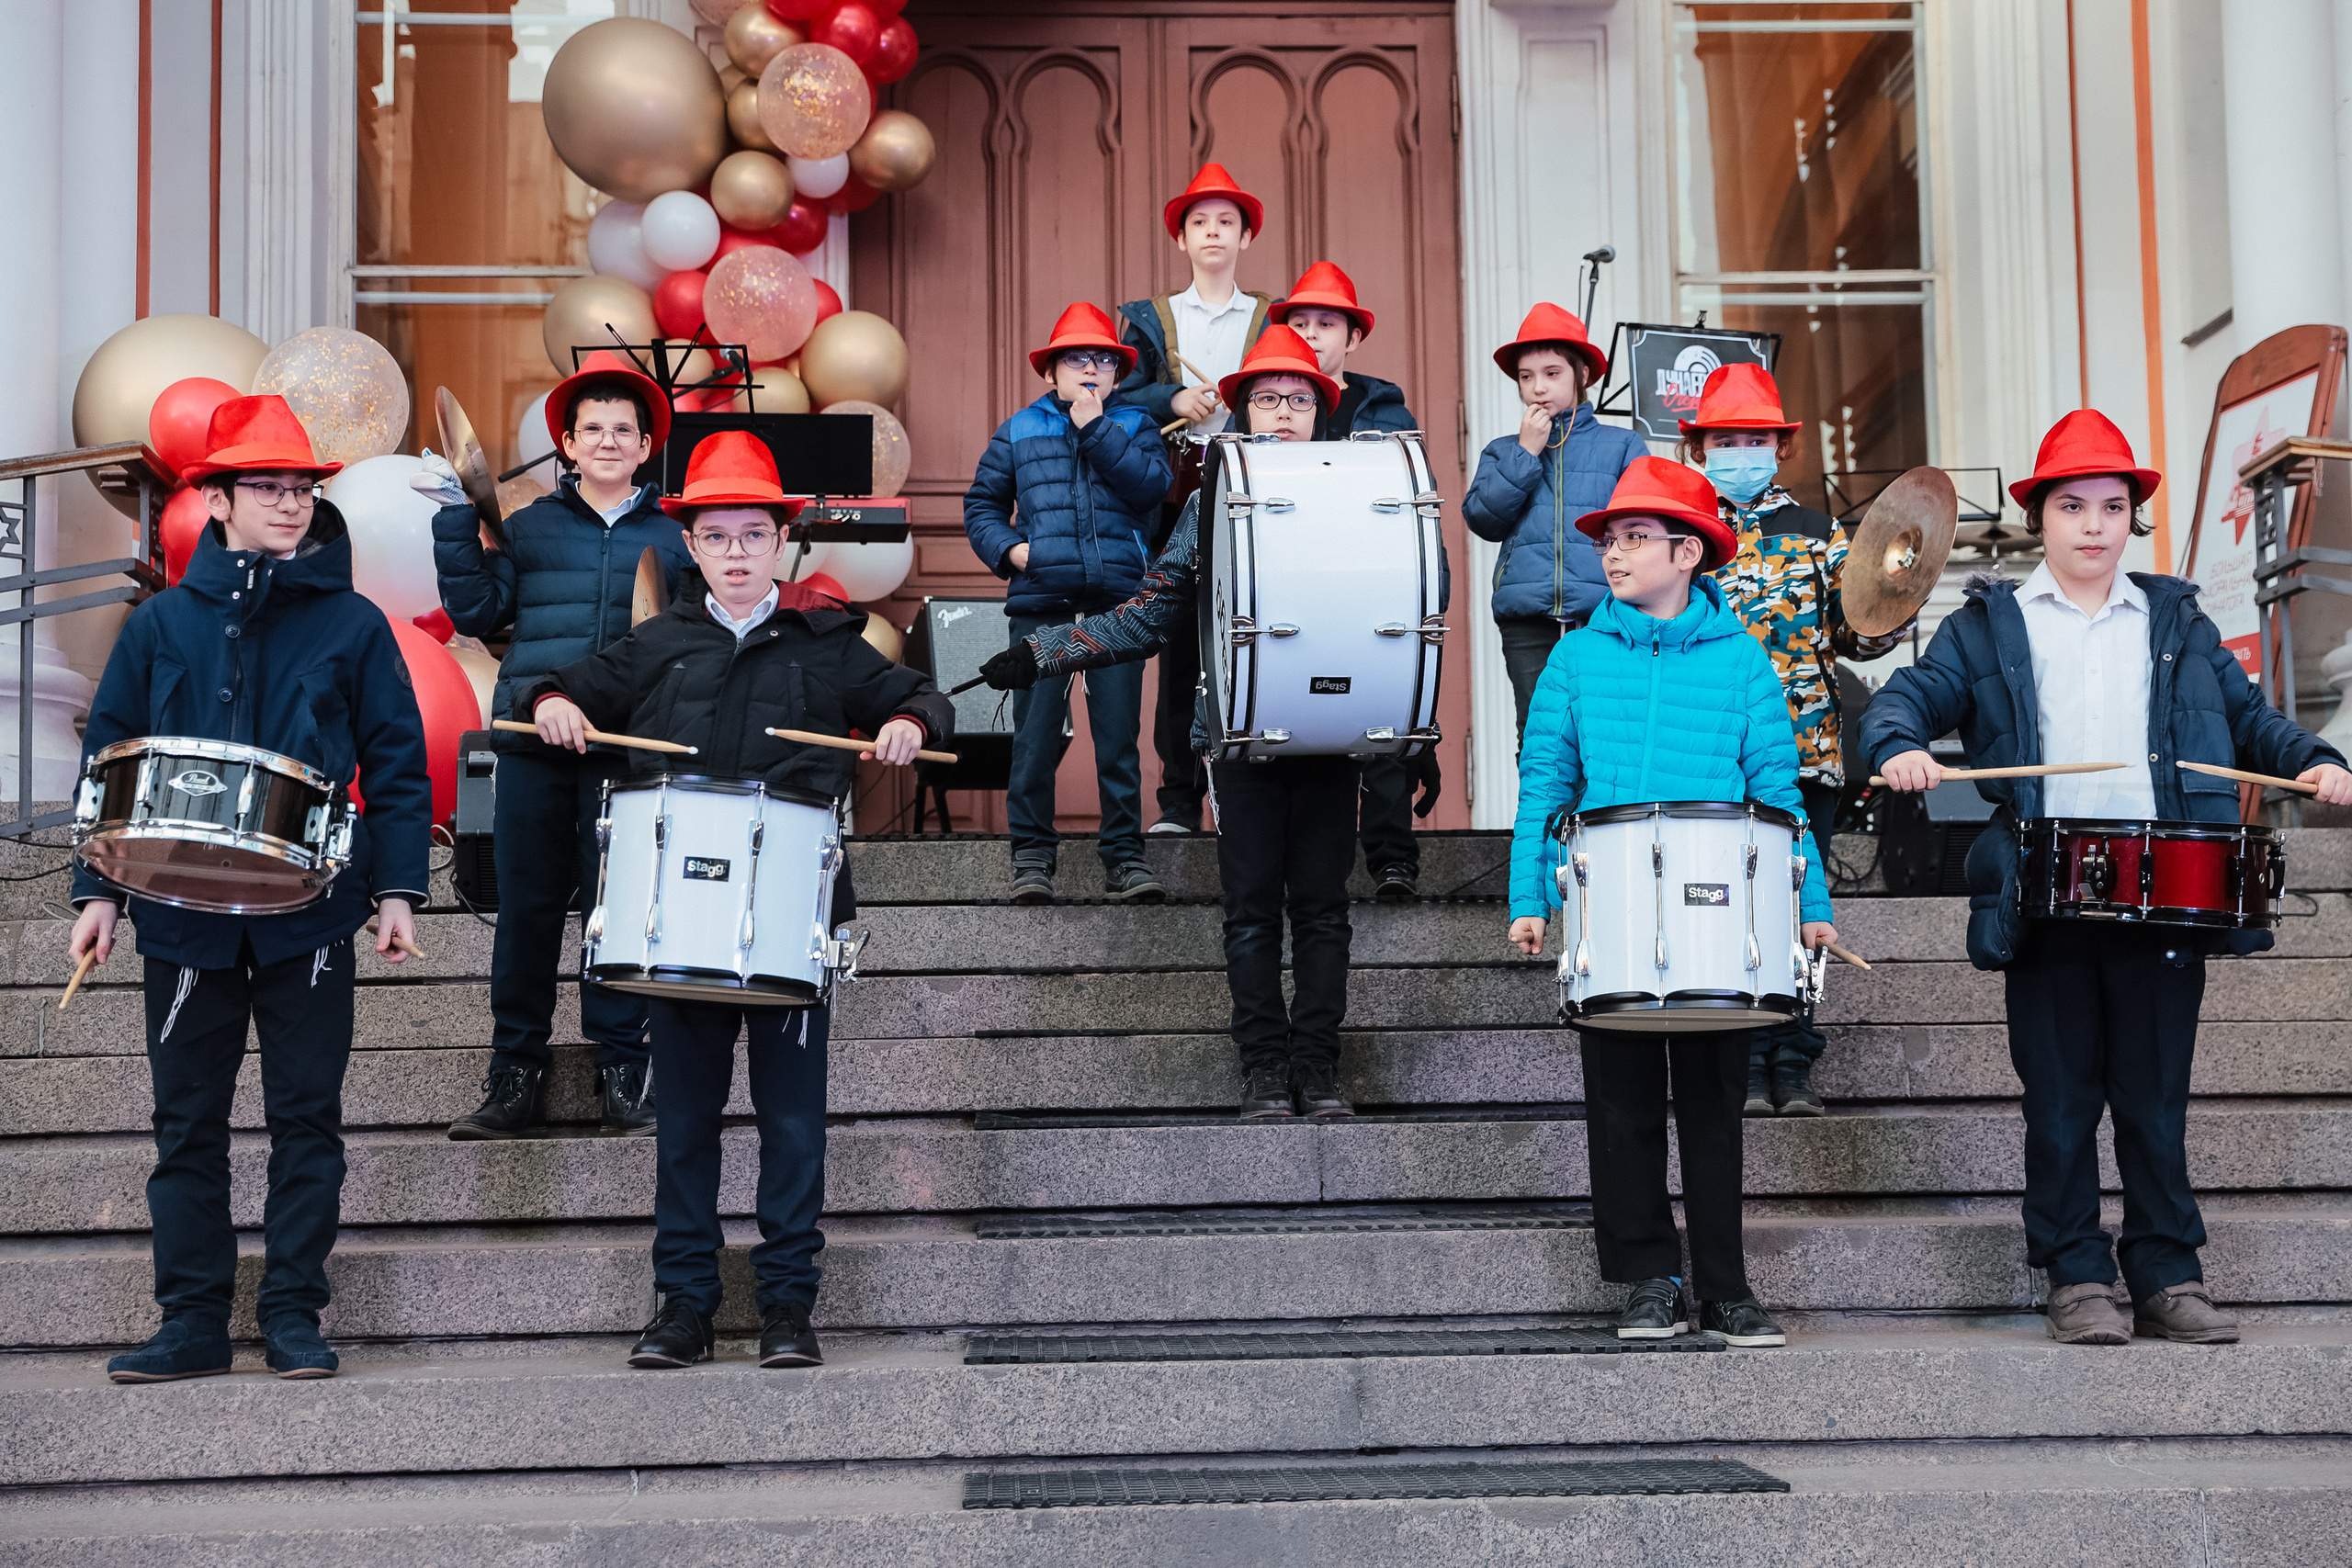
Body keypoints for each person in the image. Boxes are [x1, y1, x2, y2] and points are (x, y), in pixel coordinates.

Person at [1860, 409, 2352, 1348]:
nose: (2092, 523)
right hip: (2047, 892)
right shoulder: (1987, 626)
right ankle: (2076, 1271)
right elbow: (1904, 702)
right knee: (2057, 1100)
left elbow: (2253, 723)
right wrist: (1898, 747)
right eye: (2072, 505)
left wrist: (2317, 758)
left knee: (2154, 1099)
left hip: (2164, 883)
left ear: (2130, 520)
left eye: (2111, 506)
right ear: (2038, 516)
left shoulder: (2173, 617)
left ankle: (2167, 1272)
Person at [523, 433, 953, 1371]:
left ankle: (788, 1307)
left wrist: (907, 724)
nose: (736, 552)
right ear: (693, 545)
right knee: (685, 1126)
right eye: (717, 536)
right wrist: (556, 700)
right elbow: (564, 691)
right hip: (679, 926)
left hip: (791, 922)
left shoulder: (826, 643)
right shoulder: (657, 645)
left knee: (792, 1124)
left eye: (753, 534)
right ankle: (682, 1305)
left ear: (779, 542)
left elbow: (917, 694)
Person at [978, 326, 1431, 1122]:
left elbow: (1413, 595)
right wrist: (1044, 652)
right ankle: (1263, 1067)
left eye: (1299, 399)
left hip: (1331, 734)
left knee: (1323, 909)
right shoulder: (1211, 499)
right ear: (1244, 411)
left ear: (1319, 412)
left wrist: (1409, 720)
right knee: (1253, 907)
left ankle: (1319, 1070)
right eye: (1267, 398)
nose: (1284, 411)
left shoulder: (1366, 491)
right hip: (1241, 733)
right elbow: (1152, 614)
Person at [71, 395, 431, 1383]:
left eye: (301, 488)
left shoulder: (354, 624)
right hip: (181, 915)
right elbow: (108, 755)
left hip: (309, 916)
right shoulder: (159, 625)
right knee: (185, 1124)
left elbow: (397, 763)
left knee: (306, 1118)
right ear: (219, 499)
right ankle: (190, 1320)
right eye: (267, 488)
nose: (290, 504)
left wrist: (398, 887)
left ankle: (292, 1315)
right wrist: (93, 892)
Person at [1508, 456, 1835, 1349]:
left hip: (1715, 918)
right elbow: (1543, 783)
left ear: (1686, 552)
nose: (1614, 554)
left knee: (1713, 1110)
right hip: (1610, 914)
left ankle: (1727, 1289)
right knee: (1619, 1110)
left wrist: (1812, 897)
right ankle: (1648, 1279)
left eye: (1635, 538)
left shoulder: (1743, 664)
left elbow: (1778, 789)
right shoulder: (1575, 658)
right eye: (1610, 539)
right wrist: (1528, 895)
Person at [420, 350, 693, 1141]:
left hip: (630, 750)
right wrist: (452, 518)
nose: (608, 441)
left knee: (617, 912)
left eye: (624, 430)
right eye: (591, 429)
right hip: (532, 744)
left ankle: (622, 1070)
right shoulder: (530, 525)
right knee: (528, 914)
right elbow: (475, 612)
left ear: (646, 446)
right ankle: (514, 1075)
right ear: (567, 444)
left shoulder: (676, 539)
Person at [1680, 364, 1910, 1119]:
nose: (1739, 451)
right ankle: (1743, 1059)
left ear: (1779, 449)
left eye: (1754, 439)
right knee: (1725, 907)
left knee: (1797, 906)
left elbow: (1859, 635)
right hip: (1709, 755)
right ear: (1699, 448)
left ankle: (1793, 1058)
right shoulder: (1683, 530)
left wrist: (1899, 597)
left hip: (1806, 751)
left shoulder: (1818, 533)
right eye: (1724, 440)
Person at [963, 302, 1173, 904]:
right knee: (1034, 732)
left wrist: (1094, 428)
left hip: (1118, 607)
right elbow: (981, 505)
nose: (1091, 368)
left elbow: (1150, 488)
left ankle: (1125, 859)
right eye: (1077, 358)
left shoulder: (1134, 425)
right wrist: (1012, 552)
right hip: (1041, 597)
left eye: (1103, 359)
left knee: (1117, 734)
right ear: (1051, 368)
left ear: (1117, 372)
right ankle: (1032, 856)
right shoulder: (1019, 429)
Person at [1112, 163, 1275, 835]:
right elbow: (1114, 395)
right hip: (1173, 492)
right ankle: (1178, 801)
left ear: (1245, 237)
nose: (1213, 233)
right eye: (1200, 222)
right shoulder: (1149, 318)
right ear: (1181, 238)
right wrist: (1172, 399)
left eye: (1226, 222)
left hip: (1254, 491)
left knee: (1256, 638)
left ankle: (1242, 794)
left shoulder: (1271, 317)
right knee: (1179, 647)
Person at [1272, 261, 1438, 897]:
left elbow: (1412, 499)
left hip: (1374, 577)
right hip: (1293, 582)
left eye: (1326, 323)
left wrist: (1428, 589)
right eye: (1301, 323)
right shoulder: (1272, 399)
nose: (1313, 334)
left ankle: (1393, 857)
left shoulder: (1384, 407)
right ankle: (1309, 865)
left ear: (1354, 336)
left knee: (1379, 719)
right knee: (1299, 718)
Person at [1464, 304, 1647, 750]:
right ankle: (1542, 823)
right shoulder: (1503, 450)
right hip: (1528, 620)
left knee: (1608, 730)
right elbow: (1484, 519)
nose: (1538, 388)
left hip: (1606, 614)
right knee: (1539, 732)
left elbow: (1641, 527)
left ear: (1581, 374)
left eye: (1551, 373)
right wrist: (1526, 453)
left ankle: (1598, 823)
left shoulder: (1622, 444)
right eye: (1526, 377)